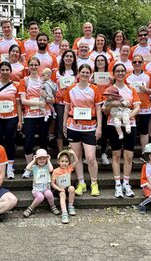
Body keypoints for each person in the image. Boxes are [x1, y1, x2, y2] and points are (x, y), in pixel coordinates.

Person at [63, 64, 102, 196]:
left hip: (90, 126)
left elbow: (98, 109)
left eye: (87, 72)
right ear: (78, 74)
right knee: (77, 157)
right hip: (73, 125)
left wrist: (99, 127)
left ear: (90, 74)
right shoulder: (70, 89)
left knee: (91, 157)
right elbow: (67, 108)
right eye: (83, 72)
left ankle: (94, 183)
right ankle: (81, 183)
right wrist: (64, 124)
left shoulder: (95, 89)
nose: (85, 74)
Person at [102, 64, 140, 198]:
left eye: (122, 71)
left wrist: (127, 118)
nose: (120, 73)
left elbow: (137, 108)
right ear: (113, 73)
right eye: (117, 71)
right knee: (116, 155)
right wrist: (111, 104)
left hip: (130, 124)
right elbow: (105, 110)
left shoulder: (131, 89)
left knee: (129, 156)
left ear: (126, 73)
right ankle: (118, 184)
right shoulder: (109, 90)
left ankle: (126, 183)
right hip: (113, 125)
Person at [0, 61, 23, 179]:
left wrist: (19, 120)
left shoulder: (16, 85)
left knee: (10, 140)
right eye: (2, 70)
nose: (5, 72)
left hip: (11, 117)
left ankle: (10, 167)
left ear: (10, 71)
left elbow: (18, 104)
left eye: (7, 70)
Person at [20, 57, 52, 178]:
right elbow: (23, 100)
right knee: (28, 142)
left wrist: (47, 97)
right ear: (28, 66)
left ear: (39, 66)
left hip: (43, 114)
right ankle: (30, 167)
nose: (33, 67)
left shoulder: (44, 80)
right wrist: (38, 103)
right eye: (31, 64)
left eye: (35, 65)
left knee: (43, 141)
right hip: (29, 115)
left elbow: (51, 99)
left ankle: (43, 168)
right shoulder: (24, 81)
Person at [126, 54, 151, 149]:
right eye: (135, 62)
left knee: (144, 130)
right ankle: (129, 150)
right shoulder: (127, 76)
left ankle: (144, 152)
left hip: (145, 106)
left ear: (143, 63)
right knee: (129, 129)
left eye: (139, 62)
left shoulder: (148, 75)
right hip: (131, 107)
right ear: (132, 64)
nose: (137, 63)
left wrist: (146, 90)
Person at [22, 149, 60, 218]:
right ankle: (30, 208)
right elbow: (27, 168)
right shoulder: (34, 167)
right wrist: (33, 160)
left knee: (49, 194)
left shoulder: (47, 167)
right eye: (39, 158)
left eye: (44, 158)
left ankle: (52, 206)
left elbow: (51, 169)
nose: (42, 160)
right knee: (40, 197)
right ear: (36, 159)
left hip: (46, 188)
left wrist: (48, 160)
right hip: (37, 190)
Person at [54, 50, 77, 152]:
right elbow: (53, 87)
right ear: (62, 58)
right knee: (59, 127)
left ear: (74, 59)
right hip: (60, 104)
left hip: (74, 104)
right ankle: (61, 152)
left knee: (73, 126)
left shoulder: (77, 73)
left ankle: (72, 150)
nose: (68, 58)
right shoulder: (57, 73)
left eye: (71, 56)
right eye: (66, 56)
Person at [92, 55, 112, 165]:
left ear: (105, 62)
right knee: (93, 130)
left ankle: (104, 153)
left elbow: (113, 91)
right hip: (93, 106)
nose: (100, 62)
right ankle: (92, 154)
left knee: (104, 130)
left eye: (102, 60)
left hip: (105, 105)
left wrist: (112, 82)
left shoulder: (110, 76)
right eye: (98, 60)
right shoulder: (91, 75)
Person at [51, 149, 78, 224]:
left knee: (72, 188)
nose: (64, 163)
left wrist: (73, 154)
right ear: (58, 162)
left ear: (69, 162)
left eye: (66, 161)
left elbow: (76, 161)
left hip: (67, 187)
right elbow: (52, 183)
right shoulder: (56, 171)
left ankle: (70, 206)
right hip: (59, 188)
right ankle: (64, 213)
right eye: (62, 161)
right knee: (62, 194)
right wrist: (59, 189)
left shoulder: (69, 168)